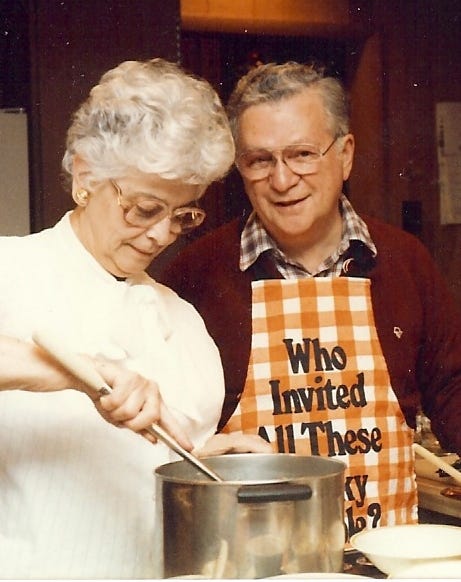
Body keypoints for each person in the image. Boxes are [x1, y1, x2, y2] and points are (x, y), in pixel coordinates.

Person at [161, 61, 461, 540]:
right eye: (260, 160)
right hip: (249, 552)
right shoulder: (192, 276)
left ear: (345, 155)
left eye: (302, 154)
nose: (282, 180)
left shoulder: (405, 262)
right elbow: (167, 433)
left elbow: (453, 390)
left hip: (388, 551)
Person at [0, 57, 237, 579]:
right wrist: (74, 372)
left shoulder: (185, 325)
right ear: (86, 175)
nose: (162, 235)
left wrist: (214, 463)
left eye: (183, 215)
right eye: (145, 209)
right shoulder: (10, 270)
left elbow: (152, 481)